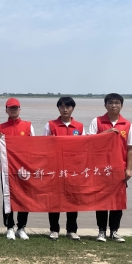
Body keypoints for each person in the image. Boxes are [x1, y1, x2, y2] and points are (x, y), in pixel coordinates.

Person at [90, 93, 132, 243]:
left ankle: (114, 231)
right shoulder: (97, 121)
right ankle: (101, 231)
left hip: (119, 169)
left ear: (121, 105)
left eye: (116, 103)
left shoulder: (127, 124)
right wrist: (106, 133)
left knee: (118, 201)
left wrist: (129, 169)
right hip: (100, 168)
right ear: (105, 105)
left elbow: (130, 148)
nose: (113, 105)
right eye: (110, 102)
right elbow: (89, 141)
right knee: (101, 200)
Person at [43, 96, 85, 242]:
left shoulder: (79, 127)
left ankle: (72, 230)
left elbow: (84, 146)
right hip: (55, 168)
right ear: (58, 108)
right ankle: (54, 229)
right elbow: (44, 146)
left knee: (73, 199)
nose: (65, 109)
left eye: (68, 107)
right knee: (54, 199)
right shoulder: (50, 125)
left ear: (73, 108)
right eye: (62, 107)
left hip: (73, 169)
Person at [0, 98, 34, 241]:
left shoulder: (28, 126)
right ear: (6, 110)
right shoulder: (0, 127)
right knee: (8, 197)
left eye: (15, 108)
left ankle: (21, 227)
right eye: (10, 108)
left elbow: (35, 146)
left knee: (24, 197)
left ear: (20, 109)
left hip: (24, 168)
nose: (13, 110)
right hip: (7, 168)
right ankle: (9, 227)